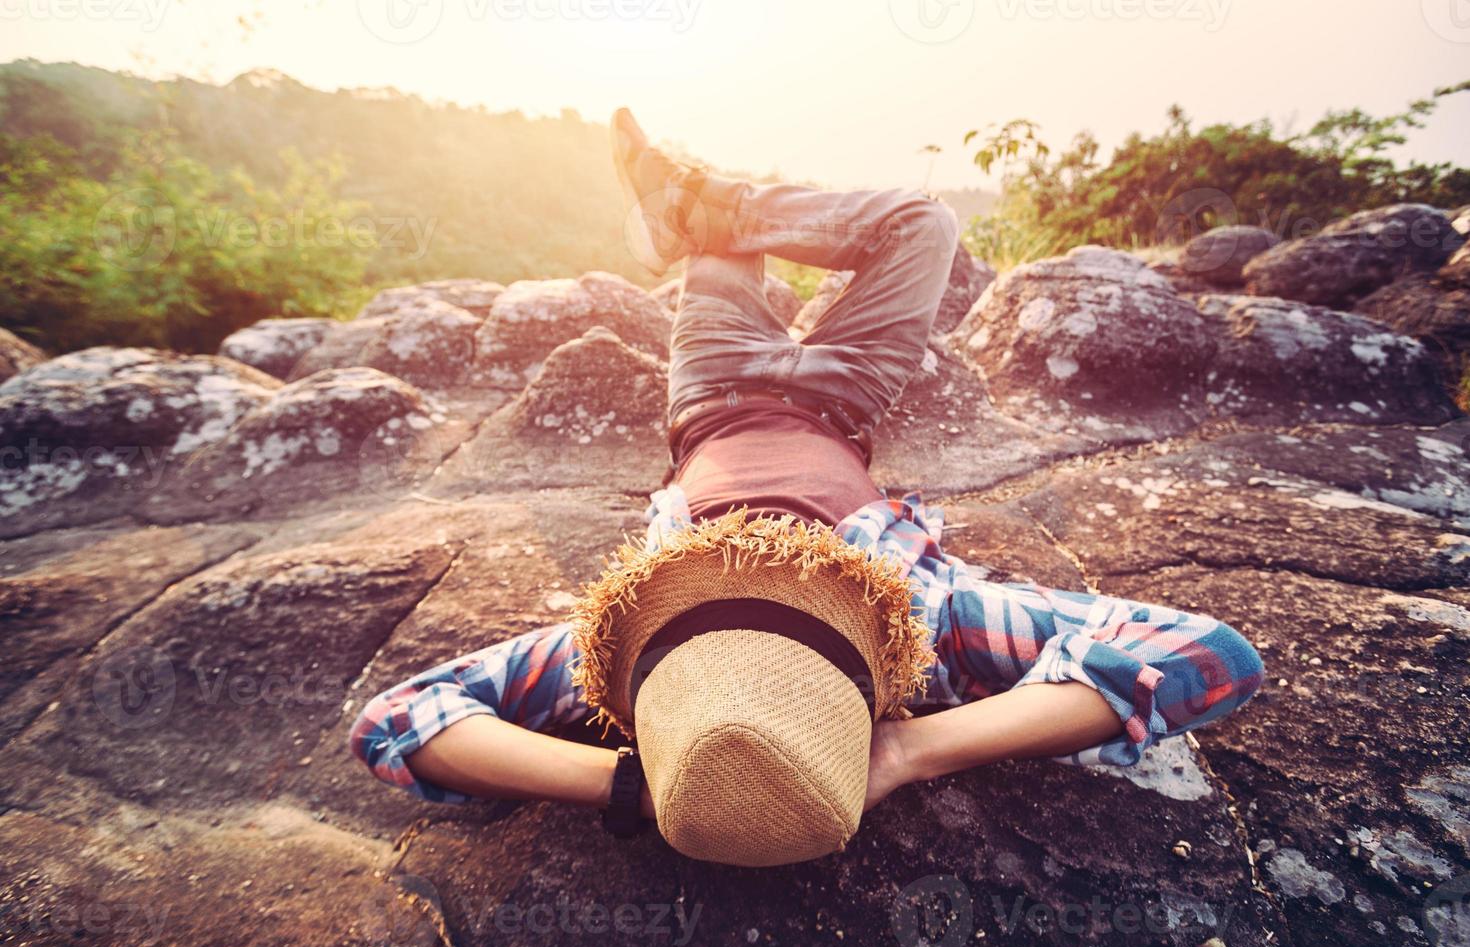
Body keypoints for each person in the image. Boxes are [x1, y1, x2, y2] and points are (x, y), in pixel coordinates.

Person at [349, 109, 1264, 867]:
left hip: (711, 396)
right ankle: (702, 208)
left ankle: (701, 212)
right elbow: (1209, 656)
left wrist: (635, 776)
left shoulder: (626, 649)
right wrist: (904, 751)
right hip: (843, 399)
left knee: (722, 256)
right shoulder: (929, 625)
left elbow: (399, 719)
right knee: (923, 224)